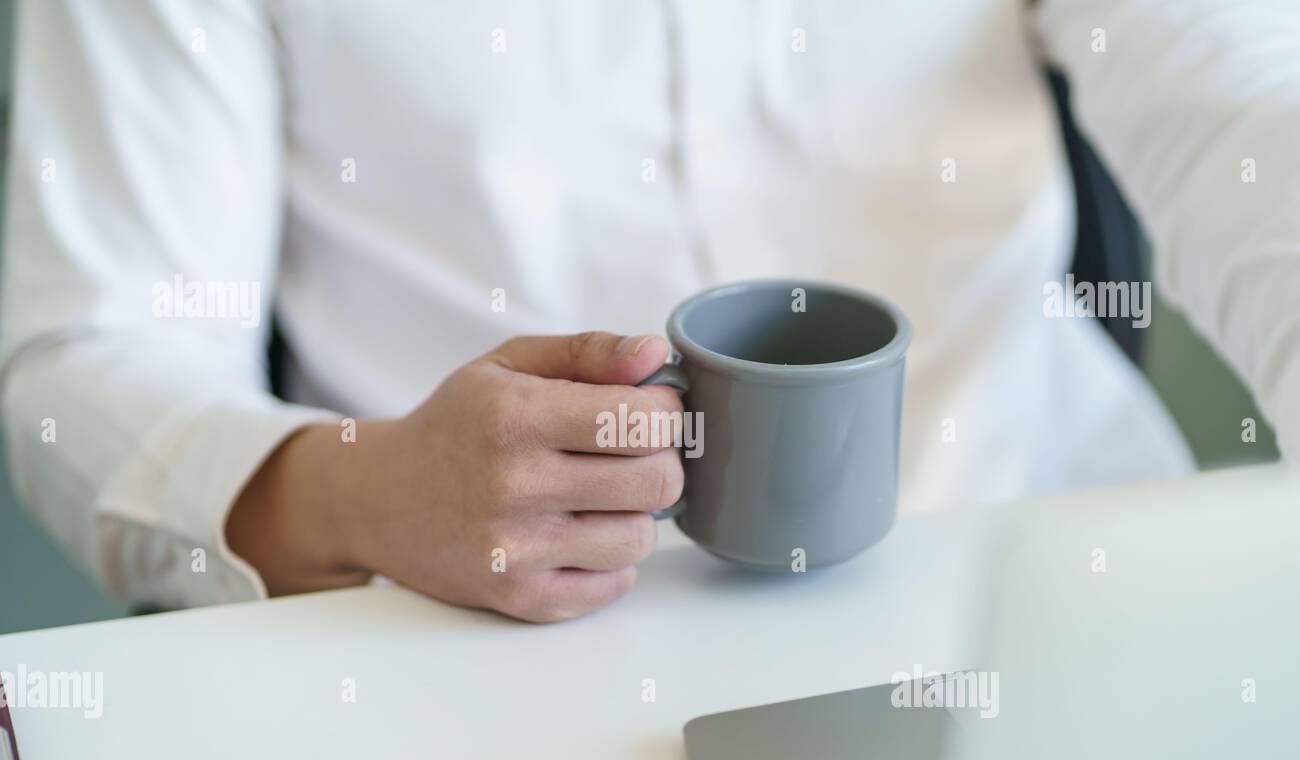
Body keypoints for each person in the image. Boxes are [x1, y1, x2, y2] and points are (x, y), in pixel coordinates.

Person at [2, 1, 1297, 622]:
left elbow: (1254, 107)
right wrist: (359, 493)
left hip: (1051, 578)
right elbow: (89, 351)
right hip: (481, 650)